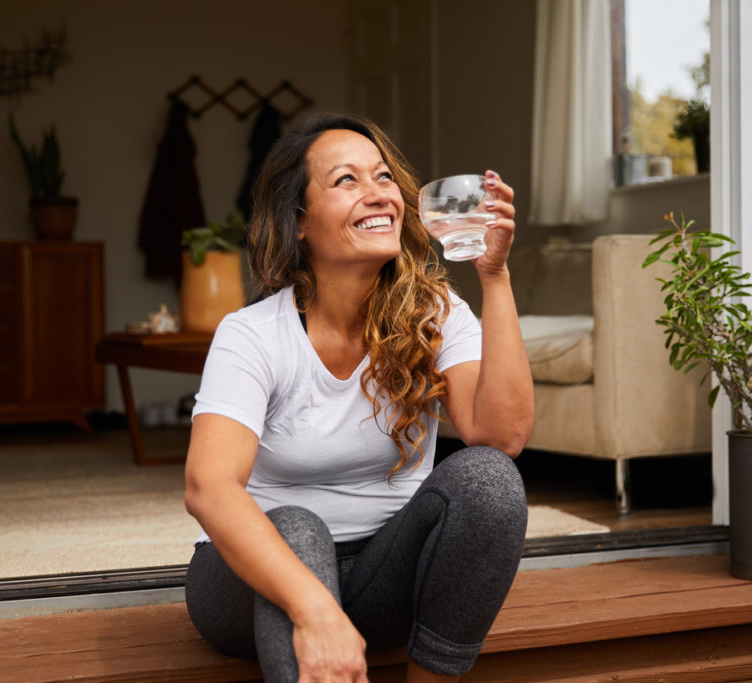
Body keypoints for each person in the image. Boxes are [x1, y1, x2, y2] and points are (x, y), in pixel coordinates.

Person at [184, 112, 534, 682]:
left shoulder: (436, 315)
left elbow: (501, 437)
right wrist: (313, 607)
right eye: (346, 181)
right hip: (251, 585)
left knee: (488, 480)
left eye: (383, 177)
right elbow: (207, 486)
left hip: (381, 574)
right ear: (298, 221)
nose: (377, 195)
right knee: (295, 527)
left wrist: (493, 276)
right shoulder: (252, 334)